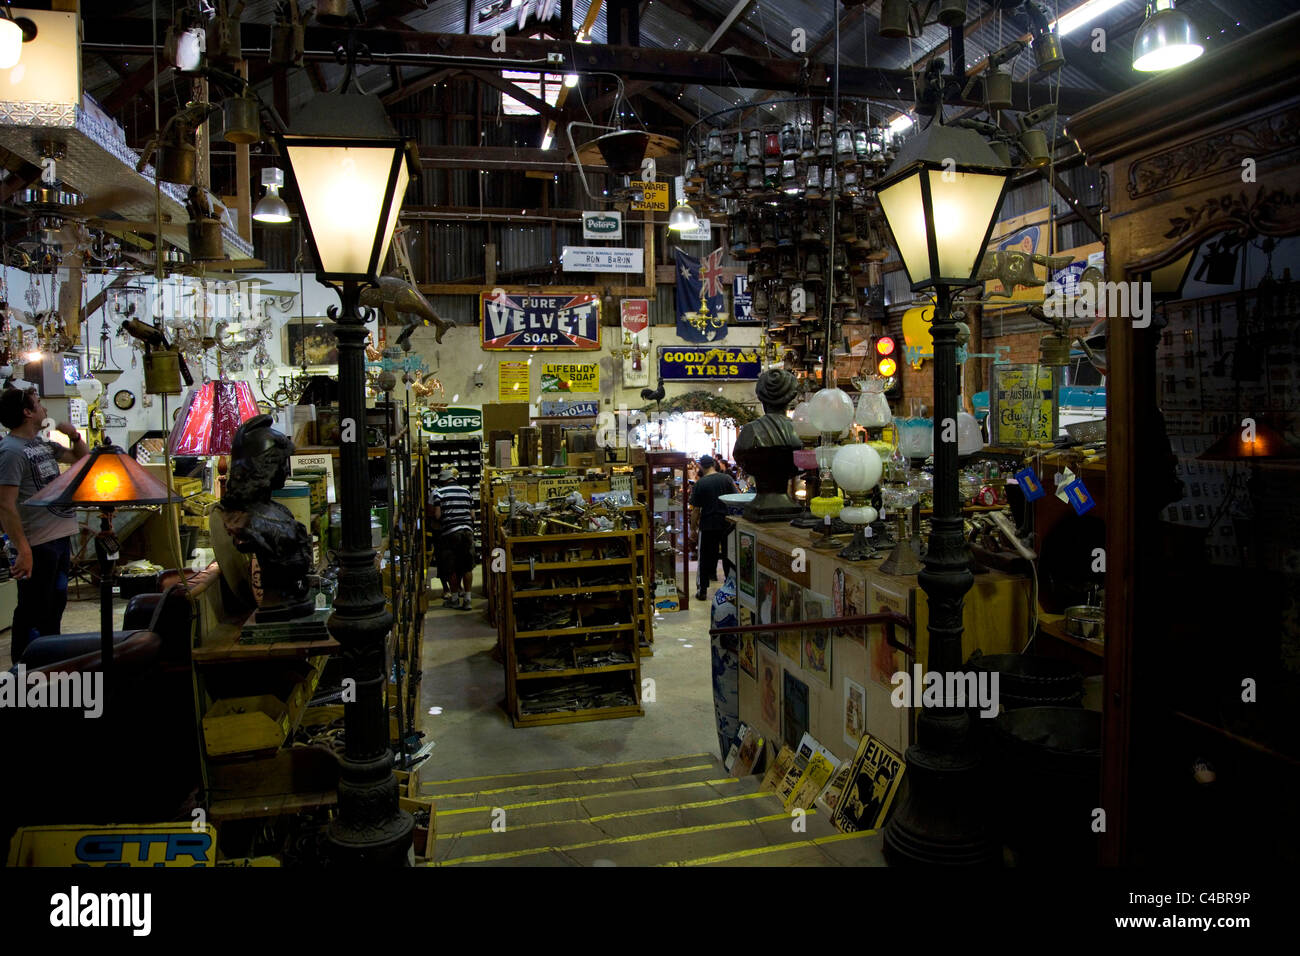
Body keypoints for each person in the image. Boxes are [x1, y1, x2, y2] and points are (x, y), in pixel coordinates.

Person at [0, 386, 89, 660]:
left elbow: (81, 458)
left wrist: (74, 435)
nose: (44, 409)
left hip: (57, 540)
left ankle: (51, 664)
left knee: (53, 608)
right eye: (39, 404)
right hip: (37, 543)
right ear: (27, 412)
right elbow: (5, 504)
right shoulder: (11, 451)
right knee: (33, 612)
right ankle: (25, 674)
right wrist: (22, 549)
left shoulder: (41, 444)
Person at [690, 454, 737, 601]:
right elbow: (736, 498)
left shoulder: (700, 484)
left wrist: (693, 529)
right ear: (714, 464)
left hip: (708, 524)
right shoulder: (727, 479)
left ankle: (703, 591)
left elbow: (696, 509)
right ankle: (731, 589)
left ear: (701, 467)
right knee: (728, 557)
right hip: (726, 524)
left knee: (705, 558)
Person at [430, 466, 475, 610]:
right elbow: (473, 515)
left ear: (443, 480)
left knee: (452, 567)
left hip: (449, 533)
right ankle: (467, 599)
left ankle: (455, 599)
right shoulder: (467, 491)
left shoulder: (439, 492)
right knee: (467, 567)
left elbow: (437, 515)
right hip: (467, 532)